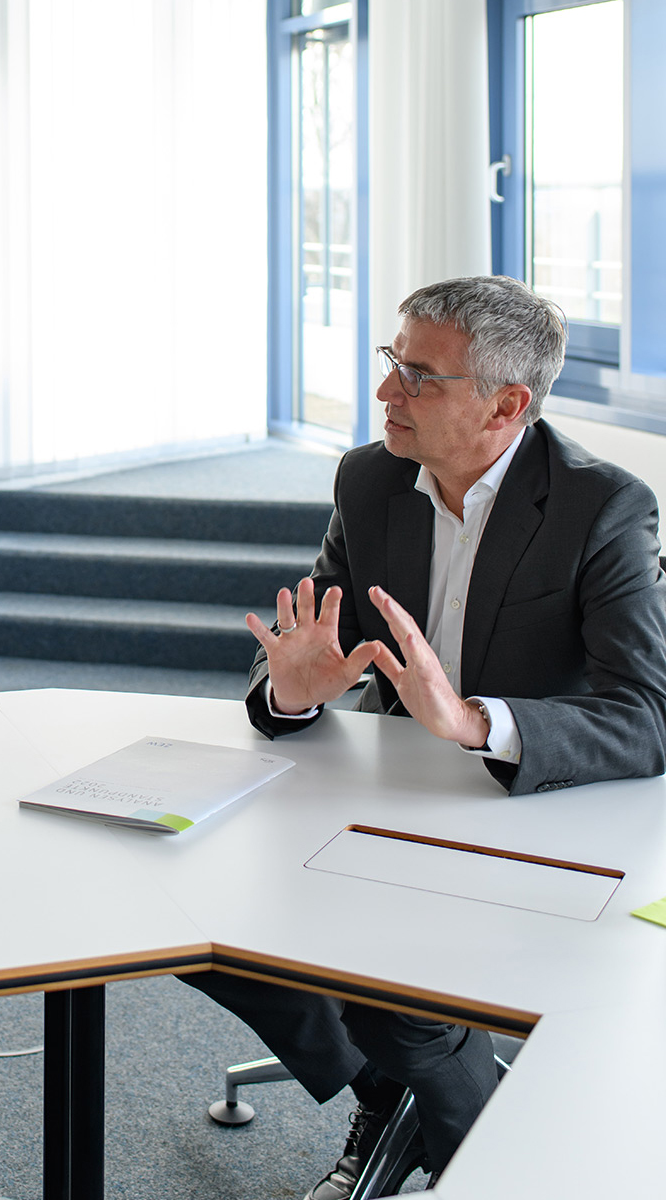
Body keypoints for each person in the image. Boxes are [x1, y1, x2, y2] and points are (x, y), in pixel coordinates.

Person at [187, 274, 666, 1199]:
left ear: (507, 405)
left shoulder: (598, 507)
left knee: (395, 991)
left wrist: (474, 722)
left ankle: (493, 1160)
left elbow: (648, 717)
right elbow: (299, 656)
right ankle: (394, 1092)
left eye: (419, 376)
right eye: (388, 364)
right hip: (389, 802)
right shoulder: (370, 481)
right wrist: (294, 695)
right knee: (200, 920)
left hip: (537, 818)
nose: (384, 395)